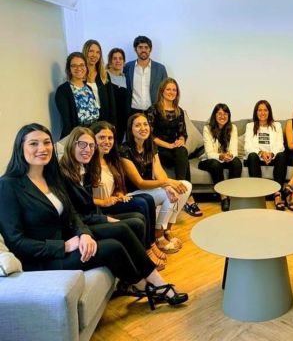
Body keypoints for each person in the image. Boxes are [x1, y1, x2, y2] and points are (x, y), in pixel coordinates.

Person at [0, 123, 188, 309]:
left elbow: (72, 214)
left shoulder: (51, 177)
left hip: (67, 237)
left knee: (122, 230)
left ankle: (158, 283)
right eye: (33, 143)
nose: (42, 148)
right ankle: (145, 287)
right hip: (43, 258)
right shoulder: (8, 185)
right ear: (20, 148)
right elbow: (16, 242)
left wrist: (84, 234)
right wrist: (64, 246)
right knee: (112, 247)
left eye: (47, 142)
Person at [91, 121, 166, 270]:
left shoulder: (109, 159)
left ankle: (151, 243)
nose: (107, 141)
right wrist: (104, 201)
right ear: (93, 139)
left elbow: (116, 186)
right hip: (100, 207)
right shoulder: (89, 163)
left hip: (113, 201)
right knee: (141, 203)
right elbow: (85, 199)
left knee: (147, 199)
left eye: (110, 138)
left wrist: (119, 193)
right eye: (102, 137)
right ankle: (147, 249)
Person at [59, 127, 147, 253]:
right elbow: (75, 215)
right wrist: (105, 218)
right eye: (82, 144)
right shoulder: (64, 174)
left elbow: (92, 201)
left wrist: (117, 195)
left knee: (139, 217)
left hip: (94, 215)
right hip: (83, 224)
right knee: (134, 222)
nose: (88, 149)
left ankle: (144, 253)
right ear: (71, 145)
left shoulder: (83, 169)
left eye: (91, 145)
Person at [120, 113, 192, 254]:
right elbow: (140, 183)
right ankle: (158, 235)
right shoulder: (124, 150)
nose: (143, 128)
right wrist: (168, 184)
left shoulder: (150, 146)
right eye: (138, 125)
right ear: (131, 129)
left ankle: (167, 229)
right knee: (169, 192)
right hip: (133, 193)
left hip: (150, 189)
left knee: (186, 186)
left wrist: (168, 185)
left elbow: (159, 172)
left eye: (145, 124)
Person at [146, 78, 201, 217]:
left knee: (182, 151)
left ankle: (181, 189)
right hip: (158, 149)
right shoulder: (153, 110)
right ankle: (188, 198)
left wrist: (181, 140)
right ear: (162, 91)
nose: (171, 92)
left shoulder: (179, 111)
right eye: (168, 89)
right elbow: (149, 135)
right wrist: (168, 145)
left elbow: (183, 133)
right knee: (182, 157)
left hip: (174, 149)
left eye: (174, 90)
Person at [198, 103, 242, 211]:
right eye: (219, 114)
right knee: (215, 164)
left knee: (237, 162)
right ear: (215, 115)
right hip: (209, 160)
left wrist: (230, 155)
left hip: (227, 159)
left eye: (225, 114)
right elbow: (209, 153)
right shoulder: (207, 128)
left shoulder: (233, 128)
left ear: (229, 116)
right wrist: (221, 156)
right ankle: (223, 197)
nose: (223, 116)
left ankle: (231, 195)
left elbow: (234, 151)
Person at [244, 100, 288, 210]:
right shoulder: (250, 126)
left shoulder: (276, 125)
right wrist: (261, 153)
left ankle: (277, 194)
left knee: (282, 155)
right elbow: (247, 146)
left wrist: (271, 154)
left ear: (269, 112)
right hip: (256, 158)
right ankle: (259, 195)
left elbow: (280, 145)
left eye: (265, 110)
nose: (262, 113)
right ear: (256, 112)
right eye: (260, 110)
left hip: (272, 157)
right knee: (252, 156)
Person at [55, 52, 99, 138]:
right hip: (77, 136)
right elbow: (67, 122)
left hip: (93, 134)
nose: (78, 68)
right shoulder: (63, 90)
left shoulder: (88, 88)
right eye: (74, 65)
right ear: (69, 69)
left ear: (86, 67)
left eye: (82, 65)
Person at [124, 35, 168, 115]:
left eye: (146, 47)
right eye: (140, 47)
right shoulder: (127, 67)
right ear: (135, 49)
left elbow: (166, 90)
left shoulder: (160, 69)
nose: (143, 50)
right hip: (133, 112)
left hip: (154, 111)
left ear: (150, 49)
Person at [82, 40, 116, 126]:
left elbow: (111, 102)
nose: (94, 55)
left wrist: (112, 124)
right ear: (85, 52)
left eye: (98, 52)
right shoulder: (79, 75)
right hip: (86, 122)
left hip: (103, 120)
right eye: (91, 51)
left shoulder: (104, 74)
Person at [106, 47, 129, 142]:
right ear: (110, 61)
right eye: (114, 58)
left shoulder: (124, 77)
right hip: (109, 119)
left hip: (122, 120)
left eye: (120, 58)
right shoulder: (104, 76)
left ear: (124, 61)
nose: (118, 61)